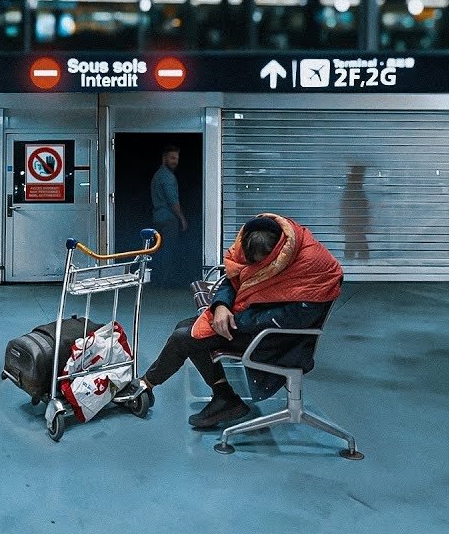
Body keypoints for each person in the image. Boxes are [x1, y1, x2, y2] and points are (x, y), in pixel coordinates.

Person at [132, 213, 343, 429]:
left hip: (279, 336)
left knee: (183, 337)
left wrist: (236, 321)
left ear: (278, 257)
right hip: (253, 319)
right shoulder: (266, 241)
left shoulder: (312, 267)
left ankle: (144, 385)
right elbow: (234, 278)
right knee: (186, 329)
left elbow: (292, 318)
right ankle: (225, 398)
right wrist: (221, 307)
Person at [151, 144, 188, 285]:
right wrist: (182, 219)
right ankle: (165, 282)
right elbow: (173, 201)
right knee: (168, 250)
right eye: (172, 158)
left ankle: (158, 280)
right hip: (168, 220)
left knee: (159, 250)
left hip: (158, 218)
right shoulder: (167, 177)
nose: (175, 161)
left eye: (177, 158)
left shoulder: (158, 175)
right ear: (164, 158)